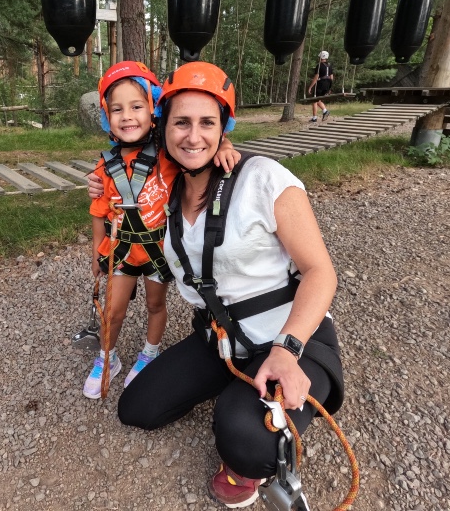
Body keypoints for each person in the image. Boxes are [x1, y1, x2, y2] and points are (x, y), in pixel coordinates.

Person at [115, 62, 344, 509]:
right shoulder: (163, 196)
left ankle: (255, 419)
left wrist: (286, 350)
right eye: (182, 122)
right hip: (221, 338)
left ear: (224, 129)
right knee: (137, 408)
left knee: (242, 438)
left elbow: (321, 272)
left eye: (208, 123)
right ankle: (241, 391)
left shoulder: (262, 178)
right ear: (164, 129)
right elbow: (121, 166)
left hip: (292, 336)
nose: (194, 136)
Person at [84, 61, 240, 399]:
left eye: (137, 106)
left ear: (154, 108)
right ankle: (106, 357)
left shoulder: (170, 156)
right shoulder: (104, 166)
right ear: (106, 117)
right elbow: (99, 212)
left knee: (156, 306)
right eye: (117, 109)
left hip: (157, 253)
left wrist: (224, 145)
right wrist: (97, 252)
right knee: (113, 310)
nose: (127, 116)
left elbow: (201, 152)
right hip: (121, 252)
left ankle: (148, 354)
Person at [307, 51, 333, 123]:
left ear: (320, 57)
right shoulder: (330, 66)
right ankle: (324, 111)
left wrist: (310, 87)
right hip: (327, 84)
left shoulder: (319, 66)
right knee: (318, 100)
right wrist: (330, 87)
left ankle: (315, 117)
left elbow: (316, 77)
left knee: (314, 100)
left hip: (320, 84)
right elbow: (331, 77)